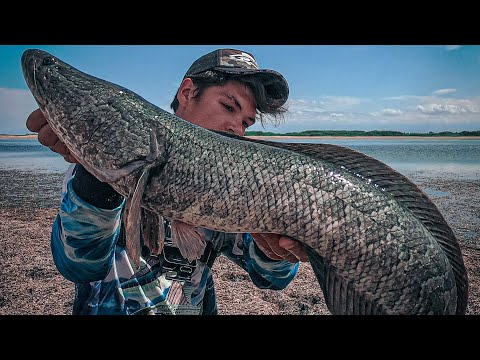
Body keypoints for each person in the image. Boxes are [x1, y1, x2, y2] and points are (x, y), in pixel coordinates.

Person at [26, 48, 309, 315]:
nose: (236, 127)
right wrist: (98, 175)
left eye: (246, 123)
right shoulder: (104, 163)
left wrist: (278, 249)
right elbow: (79, 265)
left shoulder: (230, 187)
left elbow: (271, 278)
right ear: (188, 92)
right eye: (228, 106)